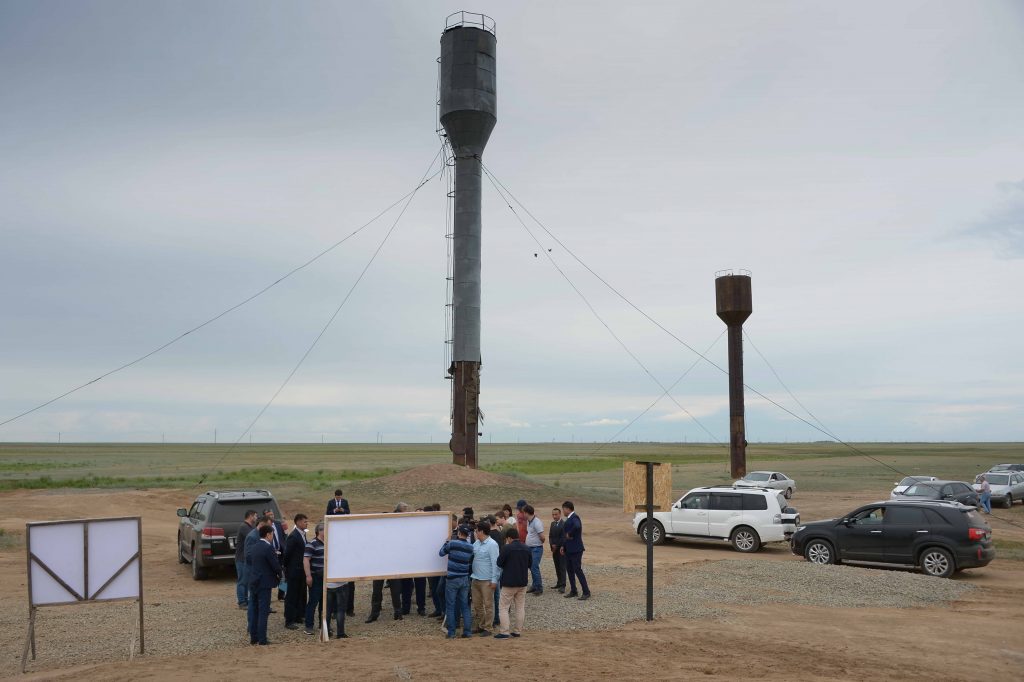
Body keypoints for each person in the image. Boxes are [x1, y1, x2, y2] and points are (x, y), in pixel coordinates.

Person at [248, 523, 282, 645]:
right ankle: (262, 639)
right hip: (264, 583)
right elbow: (275, 565)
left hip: (254, 581)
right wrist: (280, 575)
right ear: (268, 535)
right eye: (272, 534)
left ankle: (254, 637)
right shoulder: (268, 548)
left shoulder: (254, 546)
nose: (272, 536)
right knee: (263, 611)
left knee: (254, 610)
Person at [494, 526, 530, 639]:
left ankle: (504, 631)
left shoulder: (507, 548)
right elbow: (530, 564)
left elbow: (499, 563)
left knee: (503, 607)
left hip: (509, 582)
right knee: (520, 607)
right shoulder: (526, 548)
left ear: (509, 538)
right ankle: (517, 631)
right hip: (522, 582)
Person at [439, 524, 474, 639]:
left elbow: (441, 553)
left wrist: (447, 541)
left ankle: (451, 632)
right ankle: (467, 632)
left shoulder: (452, 544)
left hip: (452, 579)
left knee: (450, 605)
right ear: (467, 535)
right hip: (464, 579)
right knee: (465, 606)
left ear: (459, 533)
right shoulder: (470, 547)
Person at [470, 520, 499, 636]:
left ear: (481, 531)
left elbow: (495, 564)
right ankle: (481, 625)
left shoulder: (492, 545)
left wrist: (494, 580)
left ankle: (488, 627)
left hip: (487, 580)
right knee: (477, 605)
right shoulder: (476, 543)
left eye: (476, 530)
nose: (475, 532)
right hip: (475, 579)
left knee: (488, 605)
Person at [282, 513, 309, 629]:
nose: (307, 523)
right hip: (294, 571)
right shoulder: (293, 536)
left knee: (300, 594)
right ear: (298, 522)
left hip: (301, 571)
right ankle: (289, 620)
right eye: (304, 521)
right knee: (291, 596)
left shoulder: (303, 534)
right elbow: (287, 554)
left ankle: (298, 615)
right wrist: (288, 568)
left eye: (307, 521)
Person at [561, 500, 591, 600]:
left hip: (576, 549)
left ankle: (586, 592)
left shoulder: (574, 517)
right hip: (569, 549)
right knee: (569, 570)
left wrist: (569, 533)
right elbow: (565, 536)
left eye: (563, 509)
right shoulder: (570, 518)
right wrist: (563, 546)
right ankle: (573, 590)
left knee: (577, 570)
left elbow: (577, 526)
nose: (563, 511)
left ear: (567, 509)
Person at [303, 522, 326, 636]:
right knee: (313, 602)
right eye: (325, 530)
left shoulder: (328, 543)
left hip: (325, 578)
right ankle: (309, 626)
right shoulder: (311, 544)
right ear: (320, 531)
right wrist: (308, 576)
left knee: (324, 602)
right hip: (316, 577)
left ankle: (323, 625)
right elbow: (306, 560)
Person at [234, 509, 258, 609]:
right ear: (250, 516)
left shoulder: (251, 527)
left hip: (246, 559)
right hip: (241, 559)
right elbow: (255, 537)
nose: (256, 518)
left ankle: (246, 600)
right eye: (255, 516)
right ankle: (242, 602)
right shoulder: (244, 527)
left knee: (247, 581)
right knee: (242, 581)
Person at [522, 505, 546, 595]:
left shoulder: (537, 522)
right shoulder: (529, 521)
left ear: (527, 513)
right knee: (531, 567)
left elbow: (542, 537)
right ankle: (535, 585)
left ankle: (539, 588)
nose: (523, 514)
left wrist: (538, 544)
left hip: (536, 548)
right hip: (530, 548)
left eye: (524, 512)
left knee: (534, 567)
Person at [549, 507, 567, 593]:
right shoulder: (552, 524)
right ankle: (559, 582)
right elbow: (550, 536)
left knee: (562, 567)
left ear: (560, 514)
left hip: (561, 550)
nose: (554, 516)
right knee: (557, 566)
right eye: (553, 514)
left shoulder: (564, 524)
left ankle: (563, 585)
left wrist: (557, 545)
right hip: (554, 549)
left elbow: (563, 537)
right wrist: (552, 545)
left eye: (556, 514)